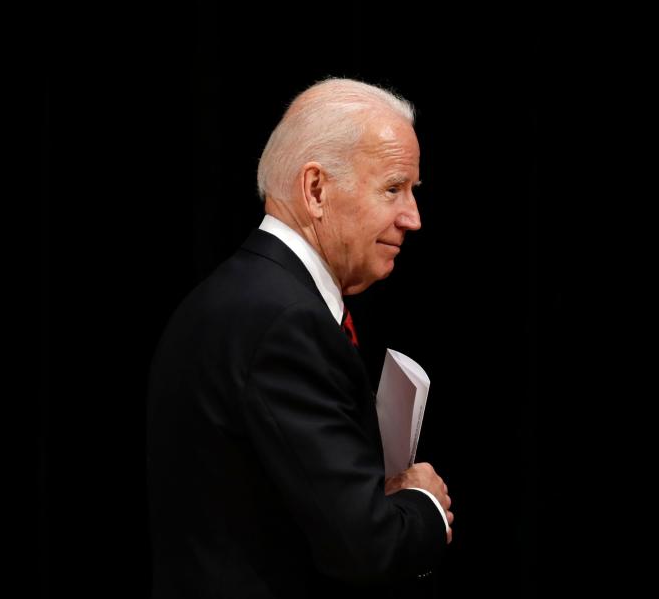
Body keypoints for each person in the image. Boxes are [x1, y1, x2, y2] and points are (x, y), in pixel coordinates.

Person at [146, 78, 453, 598]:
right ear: (316, 190)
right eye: (392, 188)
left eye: (413, 193)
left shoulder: (241, 295)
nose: (412, 218)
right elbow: (362, 547)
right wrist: (422, 505)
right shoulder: (285, 322)